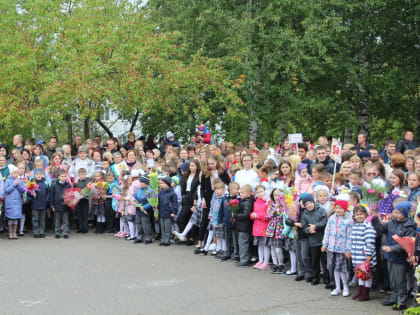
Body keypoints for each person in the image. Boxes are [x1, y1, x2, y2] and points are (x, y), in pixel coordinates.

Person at [376, 201, 416, 311]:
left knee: (400, 280)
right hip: (390, 256)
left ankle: (401, 301)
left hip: (400, 257)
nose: (395, 214)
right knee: (392, 279)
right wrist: (374, 218)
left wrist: (392, 248)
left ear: (405, 213)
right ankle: (393, 297)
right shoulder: (392, 221)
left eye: (398, 212)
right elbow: (380, 228)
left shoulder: (409, 226)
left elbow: (406, 244)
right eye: (395, 211)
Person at [321, 200, 352, 297]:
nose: (338, 210)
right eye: (337, 208)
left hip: (341, 249)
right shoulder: (331, 219)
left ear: (345, 209)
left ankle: (345, 287)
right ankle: (337, 287)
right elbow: (327, 232)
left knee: (341, 269)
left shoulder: (348, 220)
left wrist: (348, 249)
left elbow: (349, 236)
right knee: (333, 268)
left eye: (341, 208)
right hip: (331, 247)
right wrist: (325, 244)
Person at [300, 194, 328, 286]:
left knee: (325, 261)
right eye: (307, 204)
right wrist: (309, 230)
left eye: (310, 203)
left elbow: (325, 221)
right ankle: (316, 277)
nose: (309, 205)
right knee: (315, 260)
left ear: (314, 202)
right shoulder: (305, 214)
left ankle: (327, 278)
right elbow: (304, 227)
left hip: (323, 239)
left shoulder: (321, 210)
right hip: (313, 240)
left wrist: (316, 226)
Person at [351, 205, 376, 301]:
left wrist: (368, 254)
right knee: (360, 275)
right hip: (357, 256)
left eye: (361, 214)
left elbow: (369, 242)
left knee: (367, 276)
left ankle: (365, 294)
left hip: (365, 256)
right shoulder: (355, 226)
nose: (359, 216)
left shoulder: (368, 226)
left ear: (365, 214)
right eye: (357, 215)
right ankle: (360, 291)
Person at [233, 184, 254, 267]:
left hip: (244, 226)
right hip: (242, 226)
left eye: (243, 193)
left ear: (249, 194)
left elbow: (246, 214)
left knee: (243, 244)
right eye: (240, 193)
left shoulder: (247, 202)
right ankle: (245, 259)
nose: (241, 194)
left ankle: (244, 261)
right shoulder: (244, 201)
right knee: (243, 243)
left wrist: (235, 215)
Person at [266, 189, 286, 273]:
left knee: (278, 249)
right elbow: (268, 216)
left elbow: (283, 216)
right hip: (271, 230)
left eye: (279, 195)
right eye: (275, 195)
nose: (277, 197)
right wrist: (274, 210)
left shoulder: (284, 206)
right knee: (272, 248)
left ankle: (281, 264)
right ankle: (275, 264)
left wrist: (278, 209)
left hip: (279, 230)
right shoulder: (271, 205)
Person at [250, 185, 270, 270]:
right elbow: (252, 214)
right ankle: (260, 260)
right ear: (255, 194)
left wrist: (257, 215)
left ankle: (266, 262)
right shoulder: (255, 202)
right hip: (256, 227)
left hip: (265, 227)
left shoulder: (268, 202)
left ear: (265, 191)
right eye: (258, 192)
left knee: (265, 245)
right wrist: (252, 215)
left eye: (262, 191)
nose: (260, 193)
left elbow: (268, 215)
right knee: (259, 245)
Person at [134, 174, 156, 244]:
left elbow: (152, 202)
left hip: (145, 210)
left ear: (147, 182)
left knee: (146, 224)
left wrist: (144, 207)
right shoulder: (139, 189)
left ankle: (148, 237)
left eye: (142, 182)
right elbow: (135, 197)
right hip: (138, 209)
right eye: (140, 182)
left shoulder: (150, 190)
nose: (141, 183)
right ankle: (139, 236)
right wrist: (134, 201)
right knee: (138, 223)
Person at [4, 164, 25, 240]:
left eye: (17, 173)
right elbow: (7, 190)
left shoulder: (19, 180)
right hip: (10, 202)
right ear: (11, 173)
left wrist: (18, 184)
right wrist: (13, 185)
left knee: (16, 218)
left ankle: (14, 232)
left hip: (17, 202)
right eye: (14, 173)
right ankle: (10, 233)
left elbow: (22, 190)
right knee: (10, 218)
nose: (16, 174)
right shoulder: (8, 180)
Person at [50, 169, 72, 239]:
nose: (63, 178)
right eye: (62, 176)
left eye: (65, 176)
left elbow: (71, 195)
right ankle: (57, 233)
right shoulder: (54, 185)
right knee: (57, 220)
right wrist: (52, 205)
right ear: (58, 177)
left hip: (65, 205)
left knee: (65, 220)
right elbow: (52, 196)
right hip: (57, 205)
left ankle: (65, 232)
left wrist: (69, 202)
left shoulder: (68, 185)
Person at [158, 176, 178, 246]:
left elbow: (175, 204)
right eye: (160, 183)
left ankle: (167, 240)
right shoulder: (160, 193)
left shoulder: (172, 193)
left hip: (168, 212)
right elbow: (158, 202)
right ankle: (163, 239)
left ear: (167, 184)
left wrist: (174, 212)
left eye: (162, 183)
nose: (160, 185)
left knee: (167, 227)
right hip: (161, 212)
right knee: (162, 226)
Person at [30, 168, 49, 238]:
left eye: (40, 174)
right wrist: (31, 194)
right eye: (37, 174)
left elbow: (48, 193)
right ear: (34, 175)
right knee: (35, 219)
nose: (39, 175)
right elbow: (29, 194)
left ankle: (42, 231)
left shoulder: (45, 183)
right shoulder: (32, 183)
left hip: (43, 204)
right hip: (35, 204)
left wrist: (47, 200)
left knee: (42, 219)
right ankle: (36, 231)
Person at [74, 168, 91, 233]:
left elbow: (89, 189)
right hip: (78, 199)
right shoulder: (77, 181)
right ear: (79, 175)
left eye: (84, 174)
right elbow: (74, 189)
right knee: (79, 214)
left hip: (85, 199)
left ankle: (85, 228)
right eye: (81, 174)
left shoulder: (88, 181)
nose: (83, 176)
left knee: (85, 213)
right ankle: (80, 227)